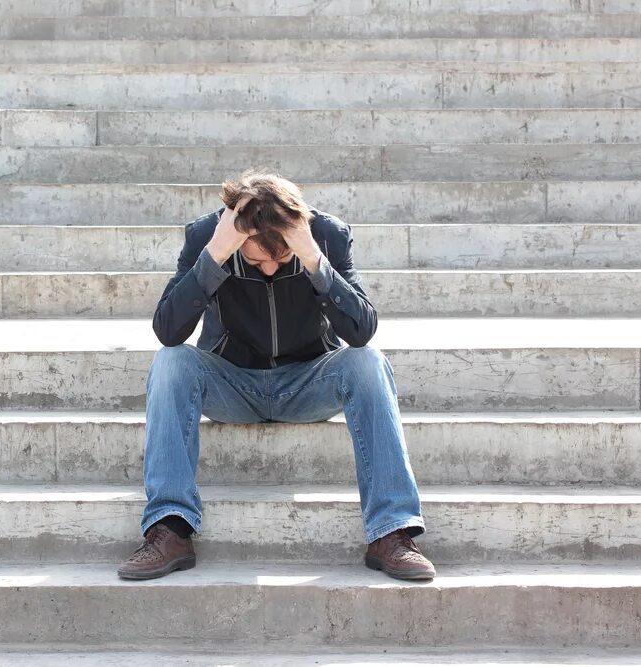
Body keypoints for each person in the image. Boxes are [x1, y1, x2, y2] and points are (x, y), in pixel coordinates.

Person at [117, 167, 434, 581]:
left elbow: (360, 331)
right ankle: (170, 528)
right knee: (171, 362)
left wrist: (313, 260)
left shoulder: (327, 236)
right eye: (255, 259)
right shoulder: (205, 238)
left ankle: (391, 532)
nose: (269, 269)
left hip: (308, 382)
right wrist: (215, 255)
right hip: (232, 383)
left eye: (280, 258)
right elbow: (168, 330)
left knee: (368, 362)